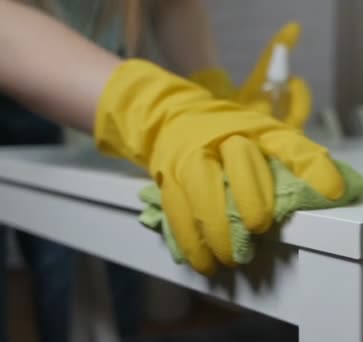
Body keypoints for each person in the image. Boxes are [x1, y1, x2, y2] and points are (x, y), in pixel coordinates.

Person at [0, 0, 342, 340]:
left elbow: (171, 5)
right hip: (28, 91)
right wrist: (151, 109)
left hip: (103, 88)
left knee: (100, 273)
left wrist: (211, 90)